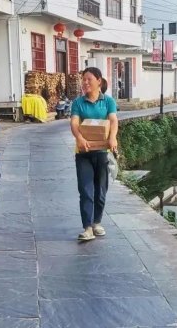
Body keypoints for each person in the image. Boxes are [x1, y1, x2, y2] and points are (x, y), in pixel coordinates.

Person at [70, 67, 118, 241]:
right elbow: (74, 123)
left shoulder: (108, 102)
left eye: (89, 79)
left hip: (102, 152)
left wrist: (112, 137)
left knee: (101, 190)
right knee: (85, 189)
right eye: (83, 79)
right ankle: (87, 227)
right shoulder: (78, 103)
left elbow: (113, 121)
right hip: (83, 151)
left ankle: (97, 222)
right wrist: (79, 138)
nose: (85, 82)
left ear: (99, 81)